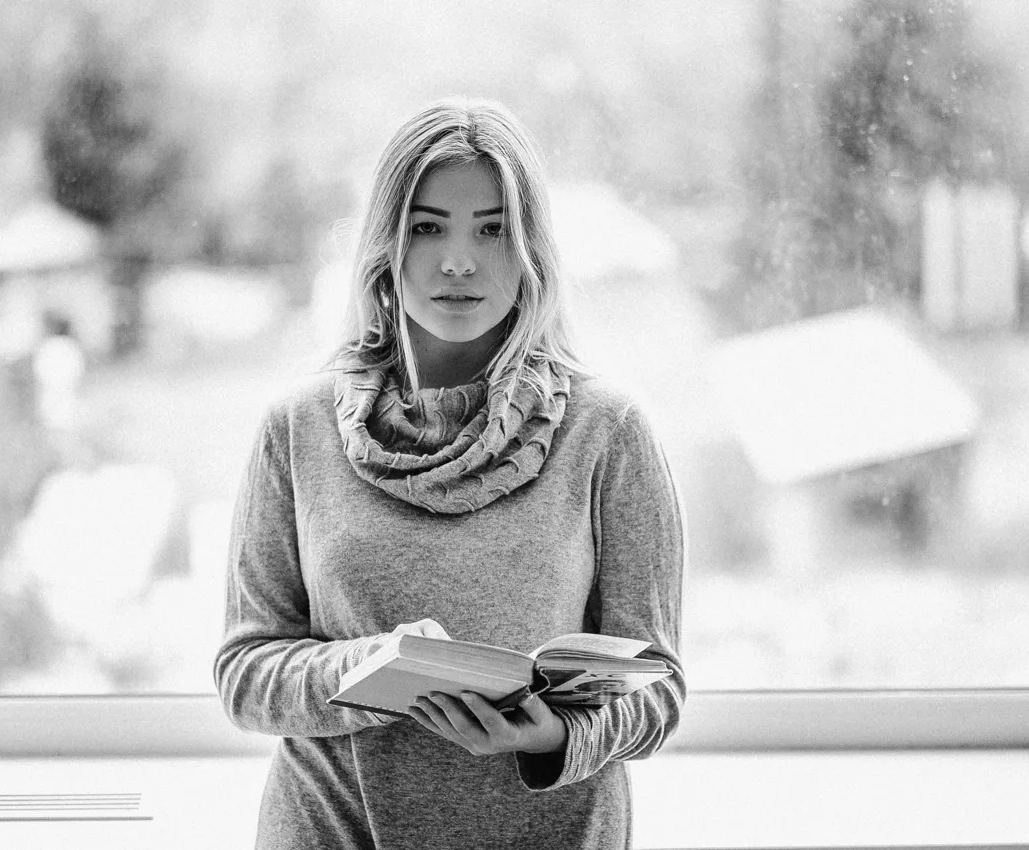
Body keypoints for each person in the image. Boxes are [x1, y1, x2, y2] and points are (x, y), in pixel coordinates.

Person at [214, 97, 686, 850]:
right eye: (427, 227)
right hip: (332, 831)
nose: (458, 261)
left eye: (492, 229)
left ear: (530, 247)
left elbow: (657, 686)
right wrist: (371, 669)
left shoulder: (609, 432)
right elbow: (245, 674)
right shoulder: (295, 430)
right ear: (386, 248)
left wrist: (550, 735)